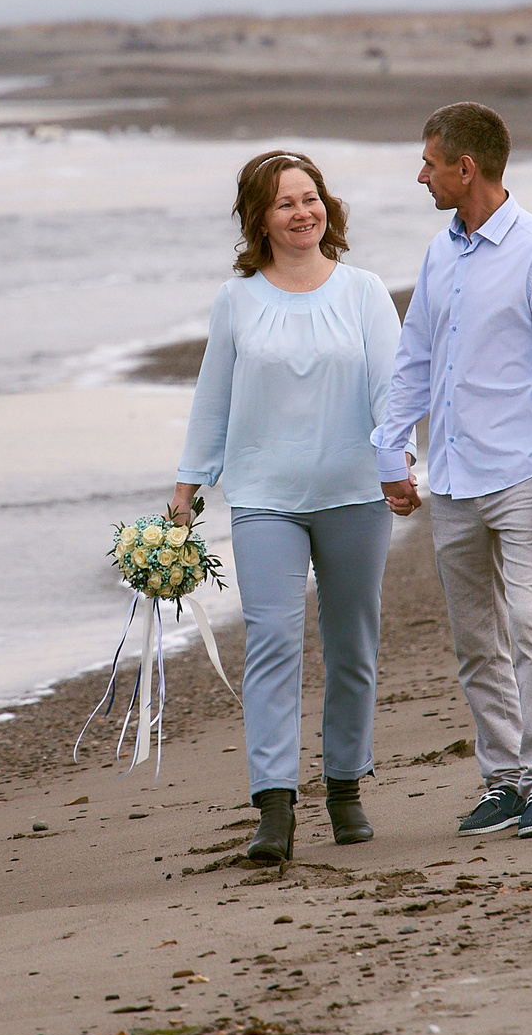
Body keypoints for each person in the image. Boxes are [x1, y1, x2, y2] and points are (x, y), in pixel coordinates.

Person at [375, 102, 532, 841]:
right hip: (456, 478)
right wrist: (392, 450)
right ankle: (503, 781)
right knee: (476, 639)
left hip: (527, 477)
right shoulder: (443, 252)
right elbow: (415, 356)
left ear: (464, 167)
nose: (421, 173)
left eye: (430, 161)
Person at [172, 150, 402, 863]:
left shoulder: (363, 291)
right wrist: (189, 480)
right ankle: (274, 805)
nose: (303, 212)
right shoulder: (236, 300)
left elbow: (392, 390)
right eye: (285, 203)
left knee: (351, 645)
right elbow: (213, 396)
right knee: (272, 640)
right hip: (265, 496)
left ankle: (344, 786)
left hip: (355, 492)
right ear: (259, 219)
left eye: (311, 198)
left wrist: (399, 468)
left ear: (326, 206)